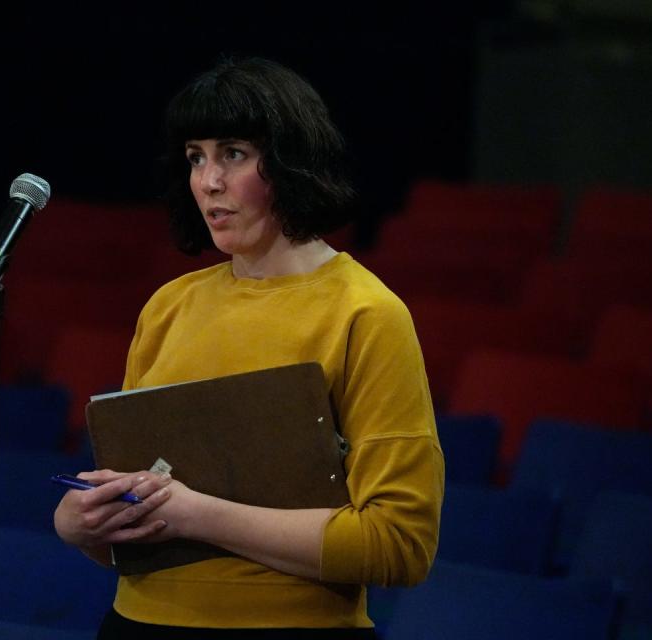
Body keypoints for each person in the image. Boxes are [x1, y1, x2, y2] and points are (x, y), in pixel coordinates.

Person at [55, 57, 444, 639]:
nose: (208, 181)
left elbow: (398, 544)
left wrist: (197, 513)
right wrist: (82, 525)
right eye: (195, 157)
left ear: (291, 160)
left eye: (233, 153)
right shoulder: (169, 307)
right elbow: (145, 523)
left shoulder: (367, 314)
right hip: (138, 624)